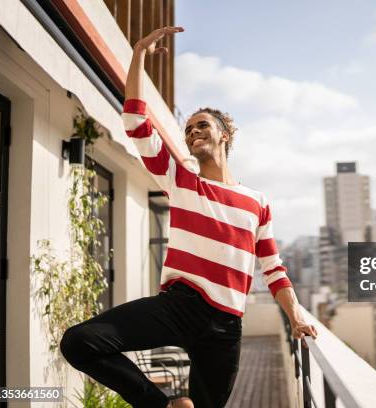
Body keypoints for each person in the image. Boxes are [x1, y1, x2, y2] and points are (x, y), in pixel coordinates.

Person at [60, 26, 317, 408]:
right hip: (178, 308)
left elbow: (273, 268)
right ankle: (162, 405)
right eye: (189, 128)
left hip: (226, 326)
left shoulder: (257, 201)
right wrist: (139, 54)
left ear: (225, 135)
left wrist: (296, 314)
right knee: (79, 342)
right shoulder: (179, 179)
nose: (193, 131)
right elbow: (135, 120)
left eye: (202, 125)